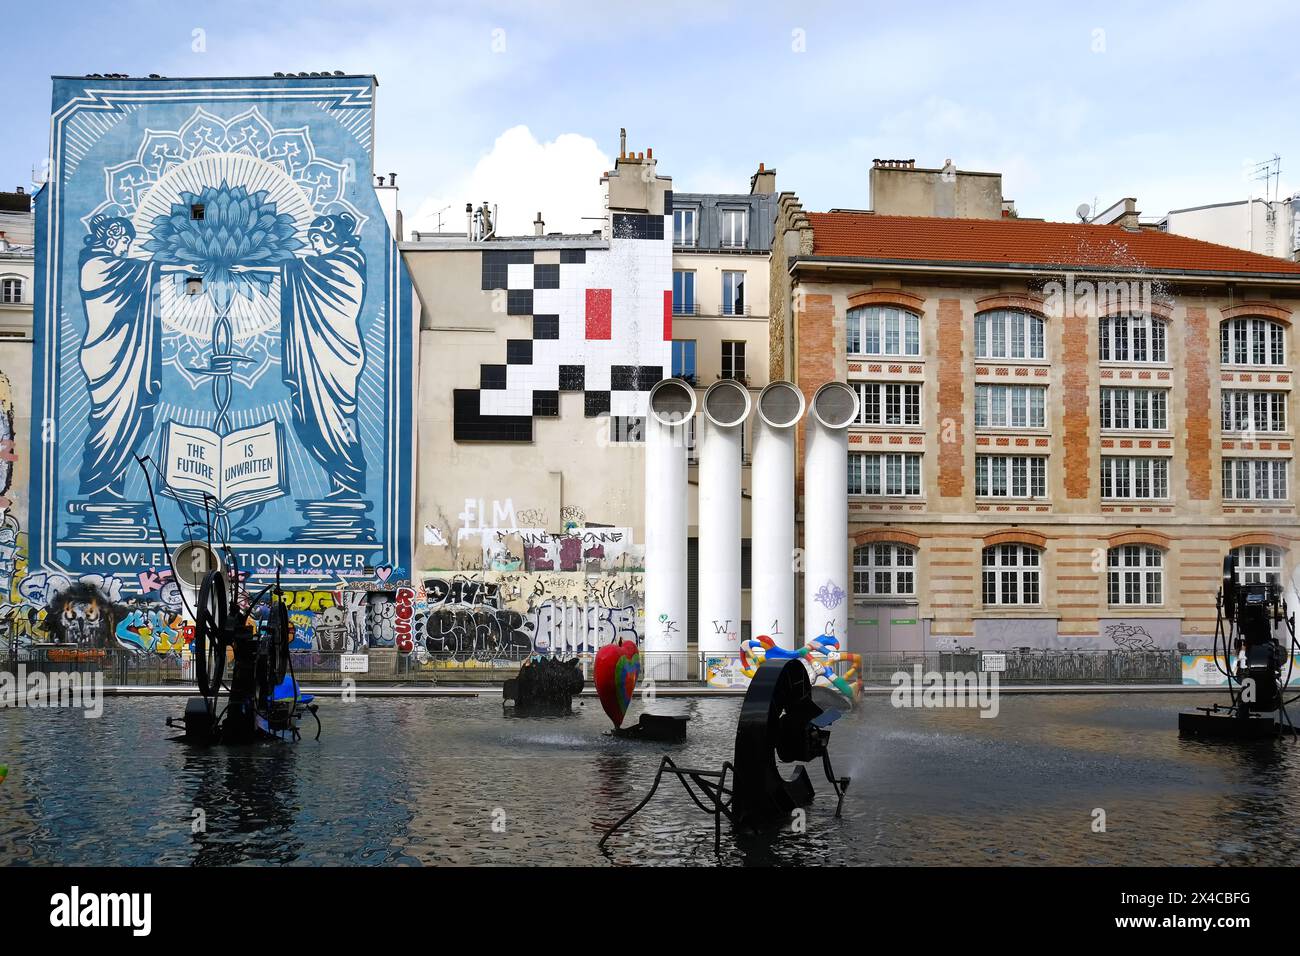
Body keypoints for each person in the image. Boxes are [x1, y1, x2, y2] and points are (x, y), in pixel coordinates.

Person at [76, 215, 196, 497]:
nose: (127, 247)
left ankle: (113, 483)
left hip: (129, 355)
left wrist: (188, 281)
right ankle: (99, 485)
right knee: (109, 422)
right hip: (107, 355)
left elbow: (142, 278)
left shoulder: (118, 266)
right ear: (110, 237)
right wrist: (179, 266)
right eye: (125, 241)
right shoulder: (93, 265)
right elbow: (139, 270)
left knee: (136, 421)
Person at [276, 213, 368, 497]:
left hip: (336, 360)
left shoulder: (348, 262)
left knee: (338, 420)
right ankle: (339, 484)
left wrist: (264, 266)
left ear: (333, 237)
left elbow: (306, 271)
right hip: (312, 358)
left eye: (317, 240)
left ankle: (349, 482)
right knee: (308, 421)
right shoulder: (318, 265)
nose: (314, 246)